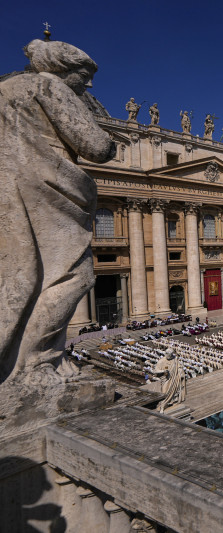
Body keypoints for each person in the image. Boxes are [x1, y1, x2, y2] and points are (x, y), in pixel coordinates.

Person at [0, 38, 116, 383]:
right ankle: (38, 362)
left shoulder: (5, 90)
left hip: (8, 189)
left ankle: (12, 364)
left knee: (20, 278)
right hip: (46, 188)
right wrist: (109, 143)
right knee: (72, 276)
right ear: (62, 68)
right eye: (85, 73)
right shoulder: (48, 86)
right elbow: (95, 146)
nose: (90, 84)